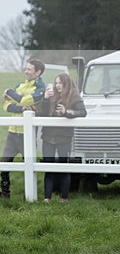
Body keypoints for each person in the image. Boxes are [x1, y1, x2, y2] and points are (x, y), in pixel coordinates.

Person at [0, 59, 46, 199]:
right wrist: (21, 108)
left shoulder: (40, 89)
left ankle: (30, 196)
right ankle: (5, 193)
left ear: (38, 72)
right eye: (26, 68)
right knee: (4, 164)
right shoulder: (20, 85)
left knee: (29, 167)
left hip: (27, 135)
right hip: (12, 133)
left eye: (29, 69)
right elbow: (6, 106)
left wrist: (9, 92)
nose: (26, 71)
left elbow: (24, 100)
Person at [38, 73, 86, 202]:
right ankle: (47, 197)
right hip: (48, 136)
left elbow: (82, 112)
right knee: (48, 167)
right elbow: (41, 113)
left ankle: (64, 197)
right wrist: (45, 99)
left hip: (64, 137)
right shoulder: (52, 95)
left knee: (64, 167)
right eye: (56, 83)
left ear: (66, 83)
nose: (58, 86)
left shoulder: (74, 96)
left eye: (60, 83)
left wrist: (66, 112)